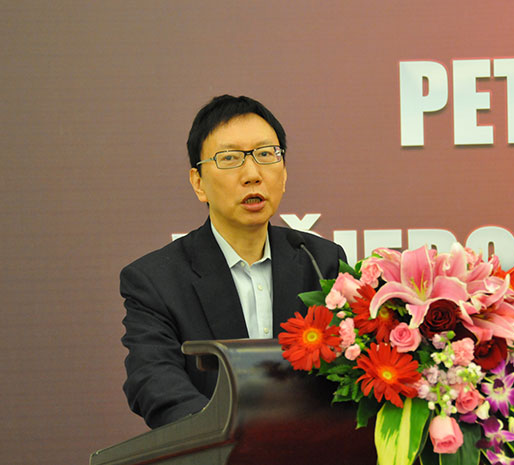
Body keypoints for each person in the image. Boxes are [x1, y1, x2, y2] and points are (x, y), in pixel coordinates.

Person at [120, 95, 347, 428]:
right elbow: (153, 382)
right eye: (230, 158)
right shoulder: (156, 280)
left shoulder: (321, 262)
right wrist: (233, 437)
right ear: (198, 183)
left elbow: (346, 373)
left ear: (284, 174)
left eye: (266, 155)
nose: (252, 174)